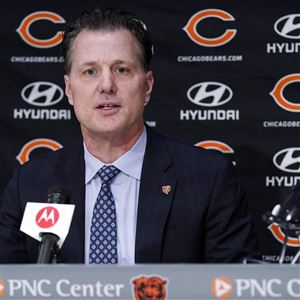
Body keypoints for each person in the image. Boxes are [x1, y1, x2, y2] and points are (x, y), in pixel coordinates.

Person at [0, 7, 257, 264]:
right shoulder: (31, 184)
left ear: (146, 86)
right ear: (69, 89)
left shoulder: (207, 180)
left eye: (121, 69)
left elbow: (235, 286)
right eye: (90, 71)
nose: (106, 85)